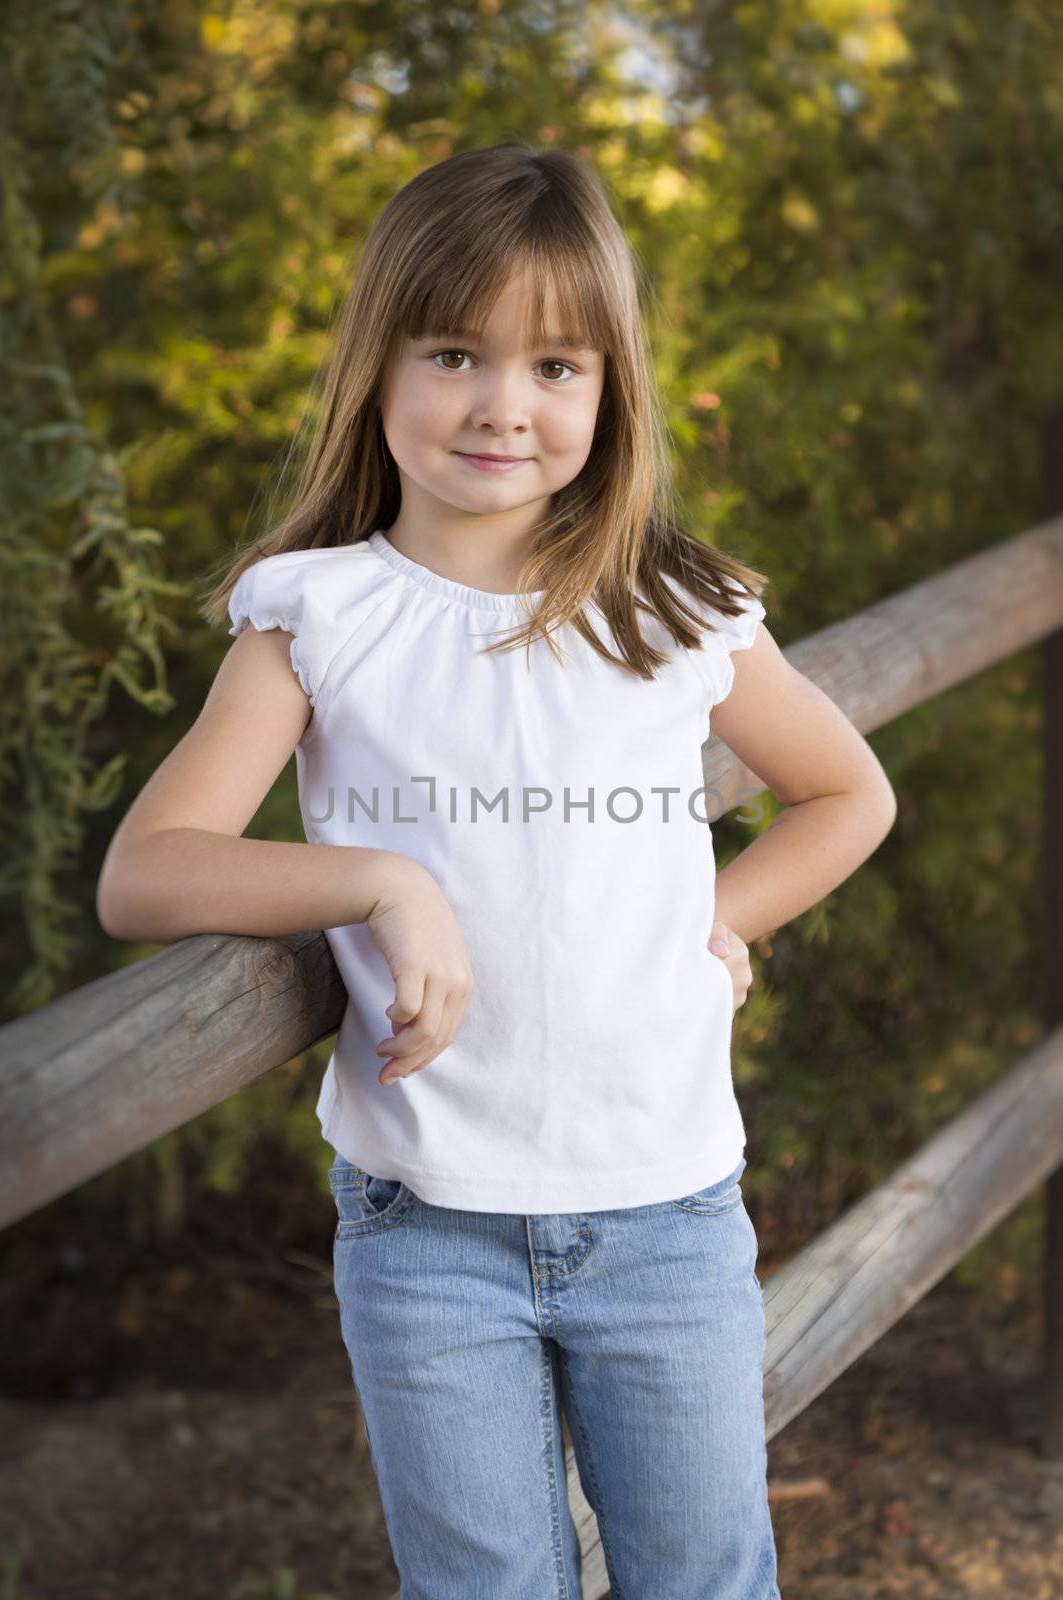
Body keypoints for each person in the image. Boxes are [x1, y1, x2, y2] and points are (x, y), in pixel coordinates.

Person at [96, 142, 897, 1599]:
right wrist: (381, 883)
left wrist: (711, 919)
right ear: (379, 363)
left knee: (706, 1579)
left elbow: (847, 792)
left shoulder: (679, 606)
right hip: (426, 1230)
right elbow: (147, 872)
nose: (503, 407)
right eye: (457, 351)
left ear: (611, 389)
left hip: (667, 1213)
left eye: (557, 367)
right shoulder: (317, 615)